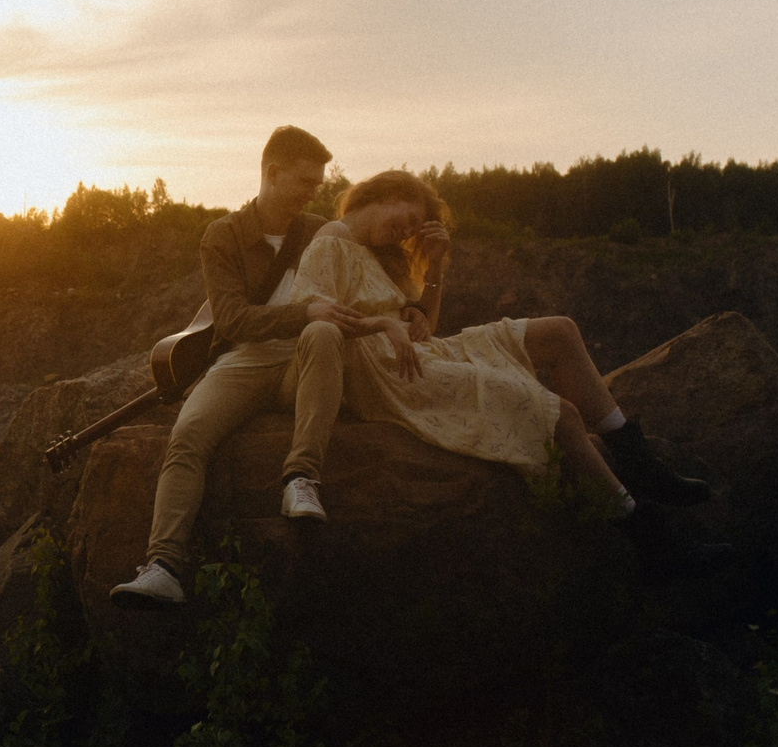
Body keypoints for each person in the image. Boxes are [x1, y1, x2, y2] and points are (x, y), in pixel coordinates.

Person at [289, 168, 721, 568]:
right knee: (560, 416)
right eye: (407, 218)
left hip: (423, 354)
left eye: (413, 228)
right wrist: (383, 323)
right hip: (392, 376)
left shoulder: (379, 254)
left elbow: (429, 326)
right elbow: (313, 320)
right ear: (387, 193)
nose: (406, 232)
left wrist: (434, 267)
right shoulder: (332, 238)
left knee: (560, 331)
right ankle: (650, 538)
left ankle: (639, 462)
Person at [112, 124, 366, 606]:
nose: (316, 192)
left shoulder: (320, 232)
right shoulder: (223, 236)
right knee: (187, 437)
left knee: (324, 332)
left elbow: (368, 285)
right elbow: (232, 320)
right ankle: (163, 566)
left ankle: (301, 480)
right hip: (243, 360)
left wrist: (431, 267)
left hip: (305, 358)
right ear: (272, 173)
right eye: (306, 182)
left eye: (318, 183)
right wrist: (303, 311)